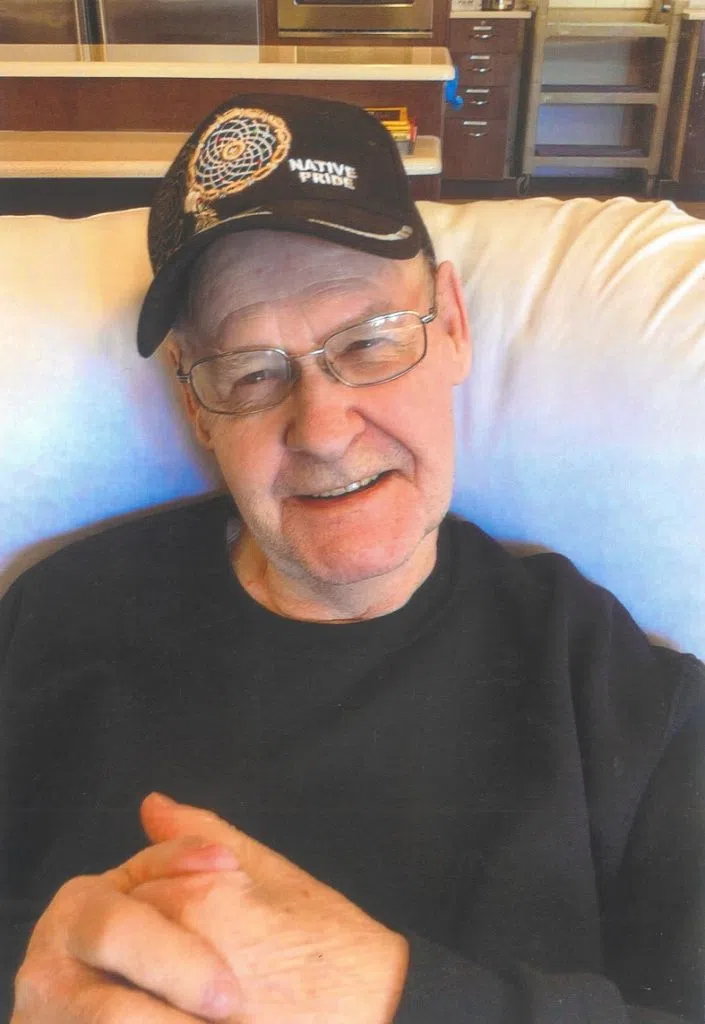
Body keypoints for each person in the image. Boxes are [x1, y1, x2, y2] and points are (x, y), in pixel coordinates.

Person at [1, 93, 703, 1023]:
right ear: (196, 404)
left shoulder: (618, 698)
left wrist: (386, 995)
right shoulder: (51, 625)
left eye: (369, 343)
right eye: (253, 373)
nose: (324, 430)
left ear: (452, 326)